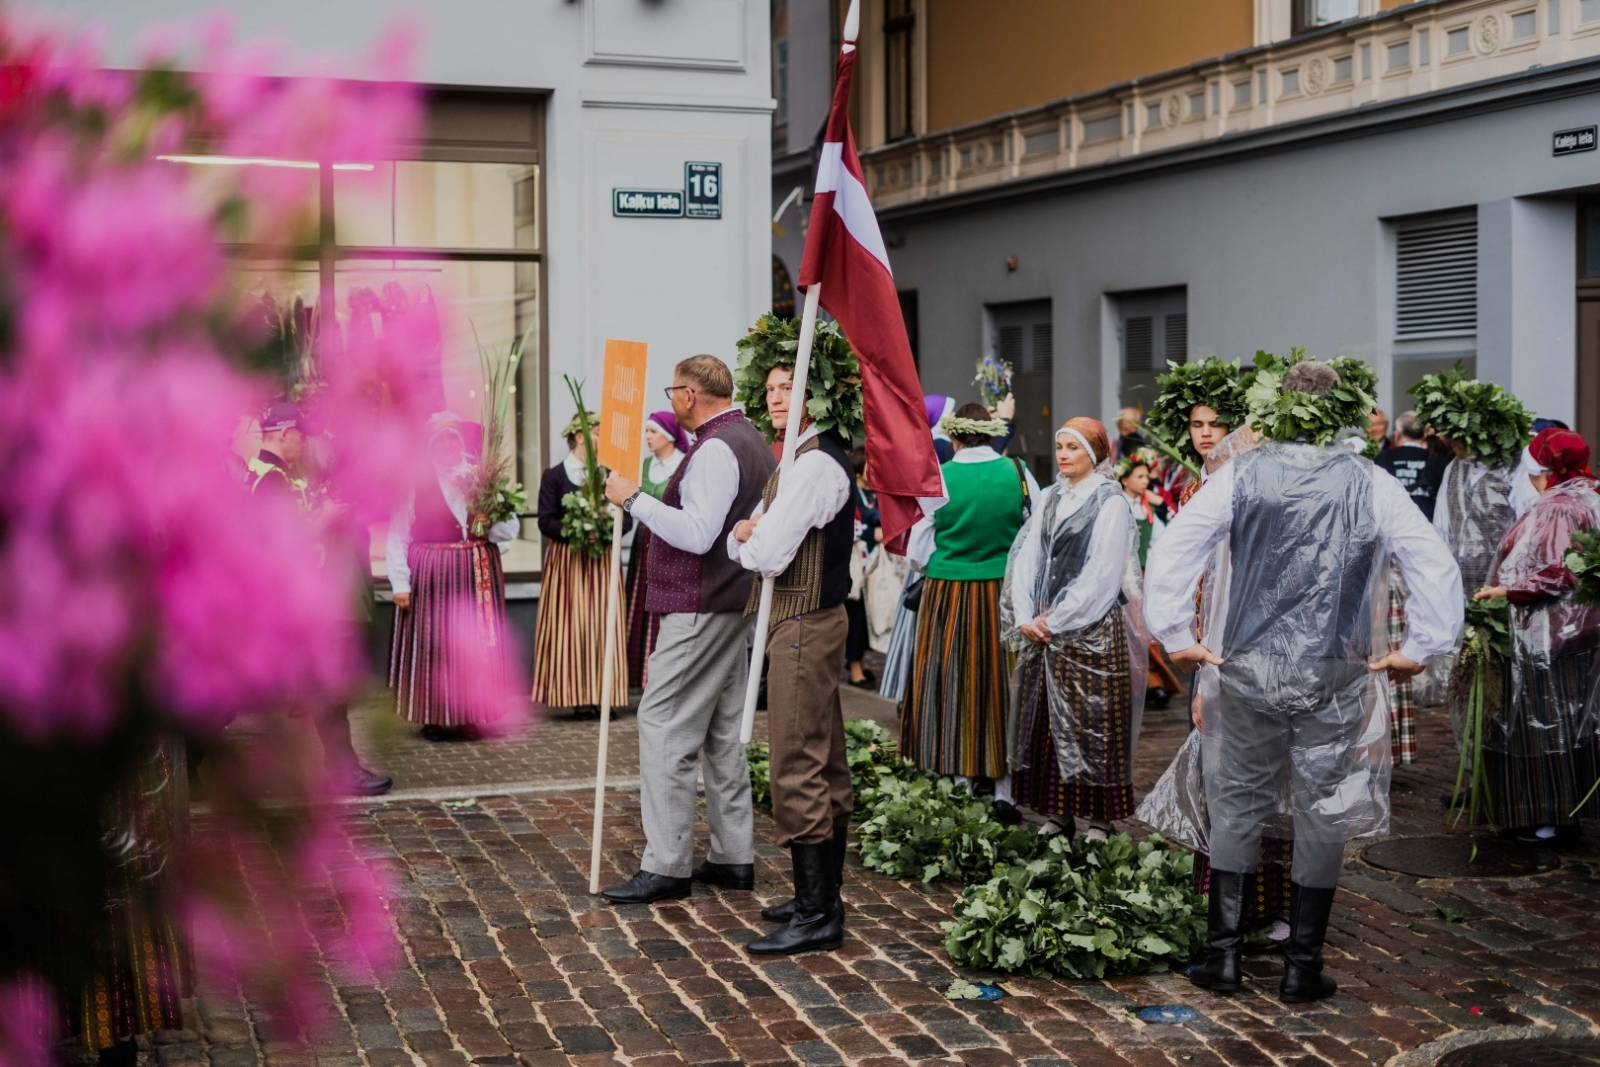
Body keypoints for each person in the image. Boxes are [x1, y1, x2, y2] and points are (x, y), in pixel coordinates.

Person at [1145, 359, 1462, 1004]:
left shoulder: (1240, 475)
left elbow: (1177, 548)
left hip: (1247, 666)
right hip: (1334, 667)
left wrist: (1177, 636)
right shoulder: (1369, 481)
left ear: (1280, 406)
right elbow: (1430, 559)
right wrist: (1422, 646)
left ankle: (1224, 961)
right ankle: (1300, 967)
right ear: (1338, 408)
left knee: (1236, 802)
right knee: (1324, 807)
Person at [597, 356, 776, 904]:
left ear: (690, 396)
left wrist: (633, 498)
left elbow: (698, 534)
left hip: (702, 602)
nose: (671, 398)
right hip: (730, 599)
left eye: (673, 390)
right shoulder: (749, 438)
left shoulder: (718, 447)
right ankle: (732, 855)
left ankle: (667, 864)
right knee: (721, 731)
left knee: (664, 722)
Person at [730, 361, 856, 955]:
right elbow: (747, 537)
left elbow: (768, 552)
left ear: (817, 395)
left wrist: (748, 534)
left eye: (792, 387)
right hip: (808, 618)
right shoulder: (802, 458)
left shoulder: (813, 464)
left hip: (803, 620)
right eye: (773, 388)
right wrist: (746, 533)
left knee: (795, 759)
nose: (778, 397)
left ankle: (816, 913)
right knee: (823, 754)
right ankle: (822, 895)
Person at [1004, 417, 1145, 841]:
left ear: (1096, 454)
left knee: (1094, 725)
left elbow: (1103, 574)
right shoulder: (1049, 498)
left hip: (1091, 633)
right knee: (1048, 726)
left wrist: (1058, 619)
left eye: (1073, 448)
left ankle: (1098, 818)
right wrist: (1026, 615)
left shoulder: (1111, 503)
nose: (1064, 455)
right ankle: (1058, 812)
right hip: (1044, 632)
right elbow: (1026, 558)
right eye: (1060, 447)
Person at [902, 404, 1040, 821]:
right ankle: (1005, 790)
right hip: (1004, 592)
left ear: (955, 437)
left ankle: (961, 783)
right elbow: (1033, 535)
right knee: (1004, 683)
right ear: (991, 433)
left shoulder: (939, 477)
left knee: (952, 679)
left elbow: (917, 550)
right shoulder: (1018, 473)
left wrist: (948, 561)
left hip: (949, 591)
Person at [253, 402, 391, 794]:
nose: (304, 444)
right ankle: (341, 770)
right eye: (300, 436)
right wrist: (324, 519)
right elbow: (282, 545)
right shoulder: (272, 479)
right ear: (283, 434)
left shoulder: (266, 473)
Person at [1474, 428, 1600, 847]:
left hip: (1549, 634)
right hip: (1577, 633)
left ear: (1542, 471)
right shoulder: (1588, 495)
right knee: (1572, 722)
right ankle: (1566, 812)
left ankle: (1547, 818)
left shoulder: (1558, 509)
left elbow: (1560, 571)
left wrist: (1507, 590)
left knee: (1543, 725)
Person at [389, 412, 520, 742]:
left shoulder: (481, 477)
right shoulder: (415, 480)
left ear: (461, 443)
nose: (448, 445)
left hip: (476, 569)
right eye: (440, 440)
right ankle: (432, 715)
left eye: (453, 439)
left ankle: (471, 714)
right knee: (434, 642)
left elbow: (508, 530)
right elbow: (398, 533)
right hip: (432, 570)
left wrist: (490, 516)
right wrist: (400, 583)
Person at [530, 412, 628, 720]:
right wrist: (576, 530)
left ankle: (604, 696)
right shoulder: (555, 476)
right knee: (571, 629)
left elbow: (627, 518)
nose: (603, 439)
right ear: (581, 436)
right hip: (568, 562)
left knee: (603, 627)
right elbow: (545, 520)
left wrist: (601, 529)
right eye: (599, 432)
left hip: (601, 561)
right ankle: (577, 697)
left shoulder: (610, 474)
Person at [1374, 410, 1449, 764]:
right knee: (1398, 639)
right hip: (1419, 558)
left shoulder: (1382, 461)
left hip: (1384, 566)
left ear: (1397, 433)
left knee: (1385, 639)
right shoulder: (1437, 463)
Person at [623, 410, 689, 690]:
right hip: (644, 541)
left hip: (670, 540)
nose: (647, 437)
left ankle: (665, 676)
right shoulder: (646, 465)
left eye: (653, 432)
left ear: (671, 435)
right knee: (640, 601)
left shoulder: (684, 465)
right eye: (647, 432)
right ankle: (640, 674)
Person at [1117, 449, 1181, 709]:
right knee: (1133, 632)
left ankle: (1151, 685)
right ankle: (1151, 684)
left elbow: (1164, 539)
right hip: (1120, 576)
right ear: (1125, 480)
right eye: (1140, 476)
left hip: (1143, 576)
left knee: (1142, 631)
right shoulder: (1117, 503)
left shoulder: (1148, 506)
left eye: (1147, 476)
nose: (1145, 481)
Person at [844, 447, 880, 689]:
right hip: (855, 563)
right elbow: (849, 526)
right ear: (858, 470)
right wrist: (872, 533)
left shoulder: (877, 493)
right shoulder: (851, 493)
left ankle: (862, 662)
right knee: (856, 616)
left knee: (871, 614)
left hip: (876, 564)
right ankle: (854, 669)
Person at [1376, 411, 1448, 521]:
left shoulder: (1381, 459)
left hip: (1391, 527)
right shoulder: (1438, 460)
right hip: (1428, 527)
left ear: (1397, 435)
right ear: (1425, 435)